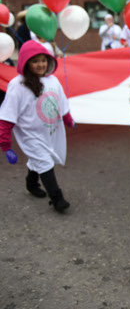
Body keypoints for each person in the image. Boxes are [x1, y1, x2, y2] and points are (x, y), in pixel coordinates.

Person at [0, 40, 74, 213]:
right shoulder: (17, 86)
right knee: (44, 162)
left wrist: (67, 118)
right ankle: (57, 199)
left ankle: (31, 183)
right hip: (30, 134)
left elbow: (61, 101)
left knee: (41, 159)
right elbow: (7, 116)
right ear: (26, 63)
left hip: (49, 132)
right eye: (35, 61)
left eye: (43, 60)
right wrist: (5, 145)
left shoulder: (53, 80)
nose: (41, 64)